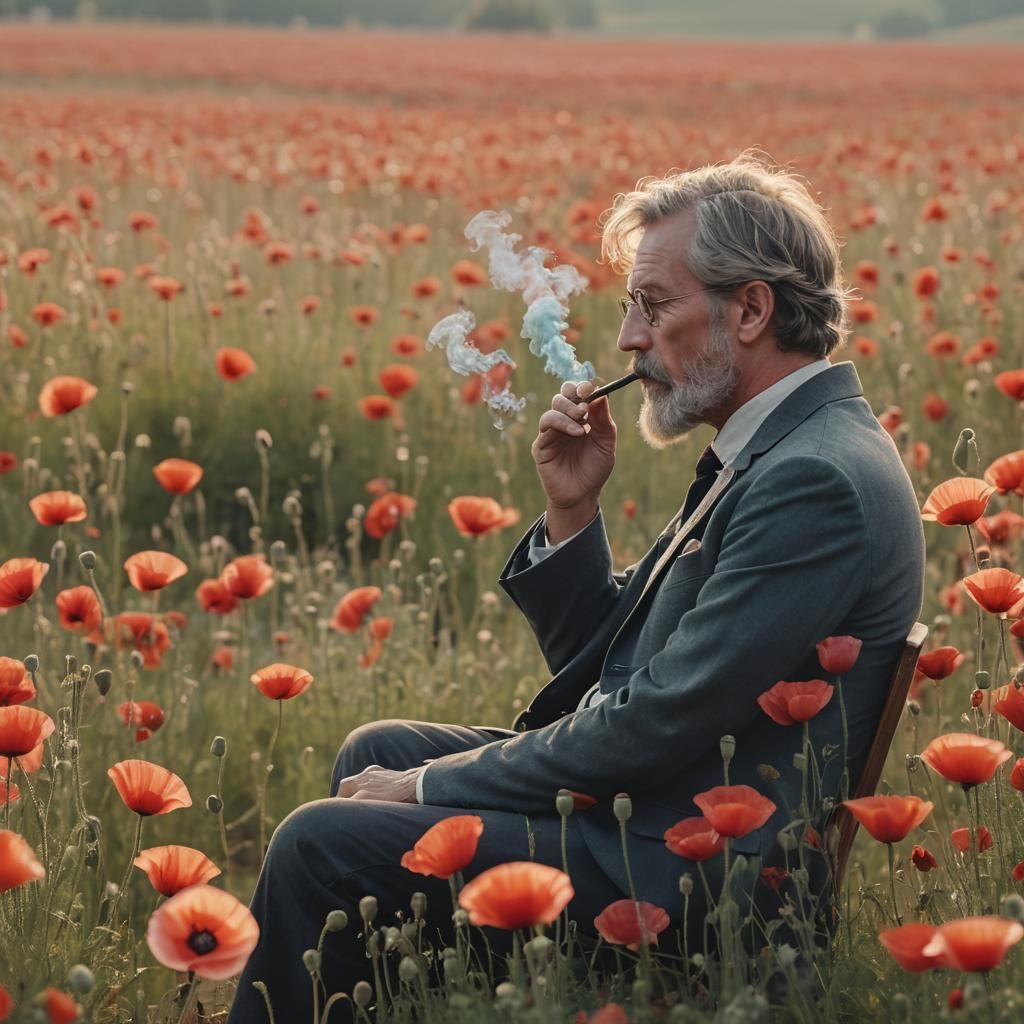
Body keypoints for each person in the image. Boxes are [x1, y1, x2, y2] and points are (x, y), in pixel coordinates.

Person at [228, 156, 925, 1021]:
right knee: (381, 747)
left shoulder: (814, 479)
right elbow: (633, 668)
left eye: (653, 304)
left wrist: (432, 788)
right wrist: (572, 511)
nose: (629, 338)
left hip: (691, 867)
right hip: (661, 809)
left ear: (750, 309)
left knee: (319, 843)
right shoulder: (784, 444)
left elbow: (653, 719)